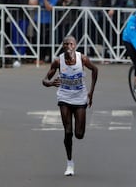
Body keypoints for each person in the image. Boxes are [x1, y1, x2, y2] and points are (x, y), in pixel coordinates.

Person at [42, 35, 98, 176]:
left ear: (75, 45)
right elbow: (44, 79)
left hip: (80, 98)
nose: (68, 46)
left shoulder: (83, 59)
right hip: (64, 98)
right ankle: (69, 163)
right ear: (63, 46)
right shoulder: (58, 61)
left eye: (71, 44)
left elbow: (95, 70)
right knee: (68, 132)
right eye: (66, 44)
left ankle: (71, 156)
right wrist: (49, 83)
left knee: (79, 135)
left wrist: (91, 92)